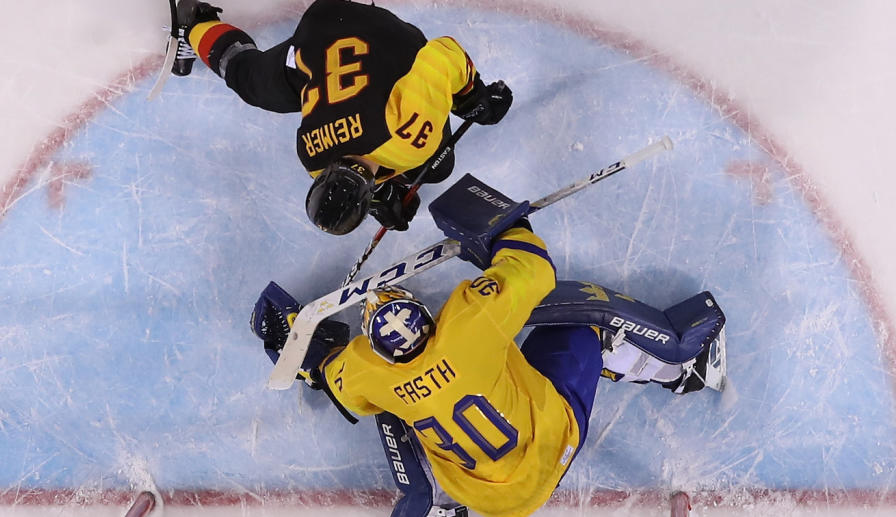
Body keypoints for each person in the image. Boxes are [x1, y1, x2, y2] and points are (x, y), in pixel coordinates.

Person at [253, 175, 727, 516]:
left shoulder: (366, 372)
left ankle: (438, 506)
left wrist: (297, 346)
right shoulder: (467, 323)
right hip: (547, 449)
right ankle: (683, 368)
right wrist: (499, 228)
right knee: (577, 324)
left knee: (390, 409)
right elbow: (535, 270)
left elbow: (325, 372)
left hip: (484, 498)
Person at [171, 0, 514, 235]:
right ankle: (196, 24)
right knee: (253, 83)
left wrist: (471, 96)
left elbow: (441, 54)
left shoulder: (410, 140)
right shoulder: (312, 156)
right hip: (319, 30)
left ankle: (195, 24)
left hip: (374, 36)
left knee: (438, 166)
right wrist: (382, 195)